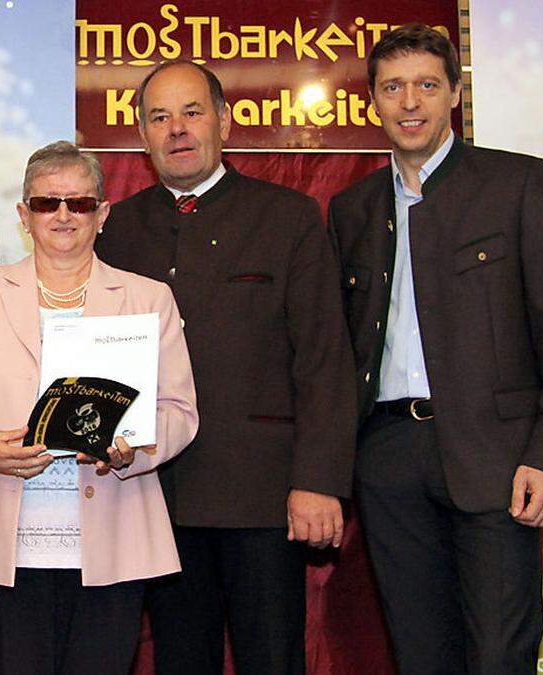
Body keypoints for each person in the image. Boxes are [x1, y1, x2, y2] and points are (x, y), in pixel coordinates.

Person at [329, 23, 543, 674]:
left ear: (453, 96)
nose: (409, 101)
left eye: (425, 85)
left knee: (501, 654)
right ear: (373, 102)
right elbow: (339, 348)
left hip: (498, 459)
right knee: (421, 654)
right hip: (388, 460)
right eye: (392, 87)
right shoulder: (352, 208)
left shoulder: (518, 183)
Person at [94, 62, 357, 674]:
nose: (177, 129)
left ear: (225, 123)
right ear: (142, 134)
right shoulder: (118, 229)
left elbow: (324, 359)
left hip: (263, 499)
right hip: (153, 495)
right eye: (160, 117)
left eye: (192, 112)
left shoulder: (288, 217)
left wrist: (318, 481)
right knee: (180, 661)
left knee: (273, 659)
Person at [0, 141, 199, 675]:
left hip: (112, 538)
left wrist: (130, 448)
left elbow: (178, 410)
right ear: (24, 215)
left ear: (102, 213)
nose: (63, 215)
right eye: (47, 203)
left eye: (79, 203)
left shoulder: (148, 298)